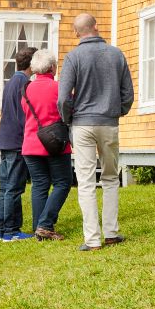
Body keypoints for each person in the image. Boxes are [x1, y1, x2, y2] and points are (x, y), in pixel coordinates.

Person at [57, 14, 133, 251]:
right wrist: (116, 111)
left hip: (82, 124)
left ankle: (92, 239)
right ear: (96, 27)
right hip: (109, 122)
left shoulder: (73, 57)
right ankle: (111, 232)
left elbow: (62, 98)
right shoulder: (116, 54)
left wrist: (69, 119)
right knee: (110, 177)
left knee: (86, 182)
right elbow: (128, 93)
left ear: (76, 32)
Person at [19, 49, 75, 241]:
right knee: (62, 183)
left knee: (39, 185)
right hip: (54, 142)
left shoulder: (26, 88)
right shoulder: (59, 88)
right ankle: (45, 224)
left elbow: (26, 111)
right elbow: (69, 109)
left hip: (30, 143)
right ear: (52, 67)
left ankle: (38, 226)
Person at [0, 47, 37, 241]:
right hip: (17, 140)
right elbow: (24, 115)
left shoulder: (11, 81)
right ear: (32, 64)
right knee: (14, 187)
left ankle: (1, 229)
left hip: (5, 138)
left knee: (5, 186)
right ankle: (11, 230)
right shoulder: (24, 83)